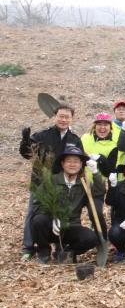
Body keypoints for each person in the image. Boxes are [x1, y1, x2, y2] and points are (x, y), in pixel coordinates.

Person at [19, 104, 83, 261]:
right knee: (34, 213)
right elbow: (28, 154)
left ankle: (59, 244)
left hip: (63, 183)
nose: (63, 119)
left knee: (62, 211)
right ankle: (29, 246)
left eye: (67, 117)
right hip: (41, 182)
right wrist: (25, 140)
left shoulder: (74, 139)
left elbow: (80, 161)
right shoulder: (42, 135)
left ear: (72, 119)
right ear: (54, 116)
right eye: (61, 116)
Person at [31, 147, 103, 264]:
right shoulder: (52, 180)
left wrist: (95, 173)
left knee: (91, 238)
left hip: (71, 226)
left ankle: (68, 252)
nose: (72, 164)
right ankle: (43, 253)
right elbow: (38, 203)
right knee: (39, 220)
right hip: (51, 227)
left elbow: (99, 192)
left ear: (81, 165)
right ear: (63, 164)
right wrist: (52, 217)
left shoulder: (84, 183)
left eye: (76, 161)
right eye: (68, 161)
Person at [81, 112, 118, 180]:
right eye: (99, 124)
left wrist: (101, 159)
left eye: (106, 124)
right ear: (95, 126)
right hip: (83, 183)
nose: (102, 127)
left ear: (110, 127)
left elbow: (109, 172)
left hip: (101, 185)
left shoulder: (114, 146)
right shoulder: (84, 138)